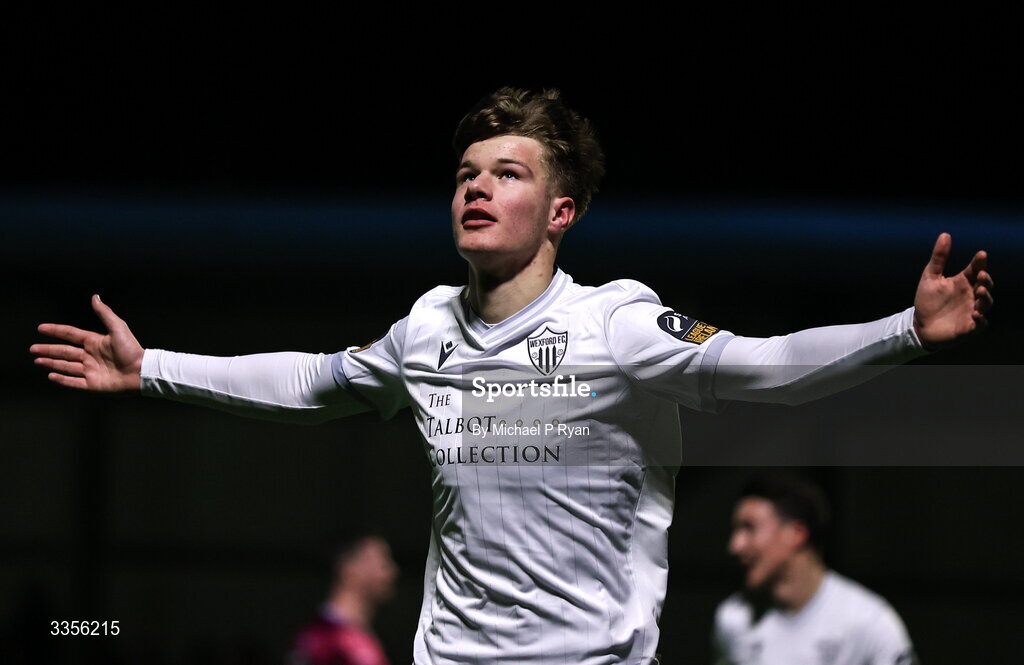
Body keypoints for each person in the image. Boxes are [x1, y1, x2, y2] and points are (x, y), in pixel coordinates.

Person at [30, 88, 991, 665]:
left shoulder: (615, 320)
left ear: (562, 210)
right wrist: (153, 367)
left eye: (506, 172)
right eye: (464, 174)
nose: (476, 187)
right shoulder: (425, 329)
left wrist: (907, 327)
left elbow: (760, 363)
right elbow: (315, 382)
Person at [713, 473, 917, 665]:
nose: (735, 546)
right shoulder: (732, 619)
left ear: (796, 533)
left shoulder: (870, 623)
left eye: (749, 528)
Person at [289, 531, 398, 665]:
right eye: (383, 564)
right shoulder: (324, 640)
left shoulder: (361, 637)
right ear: (348, 569)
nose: (393, 572)